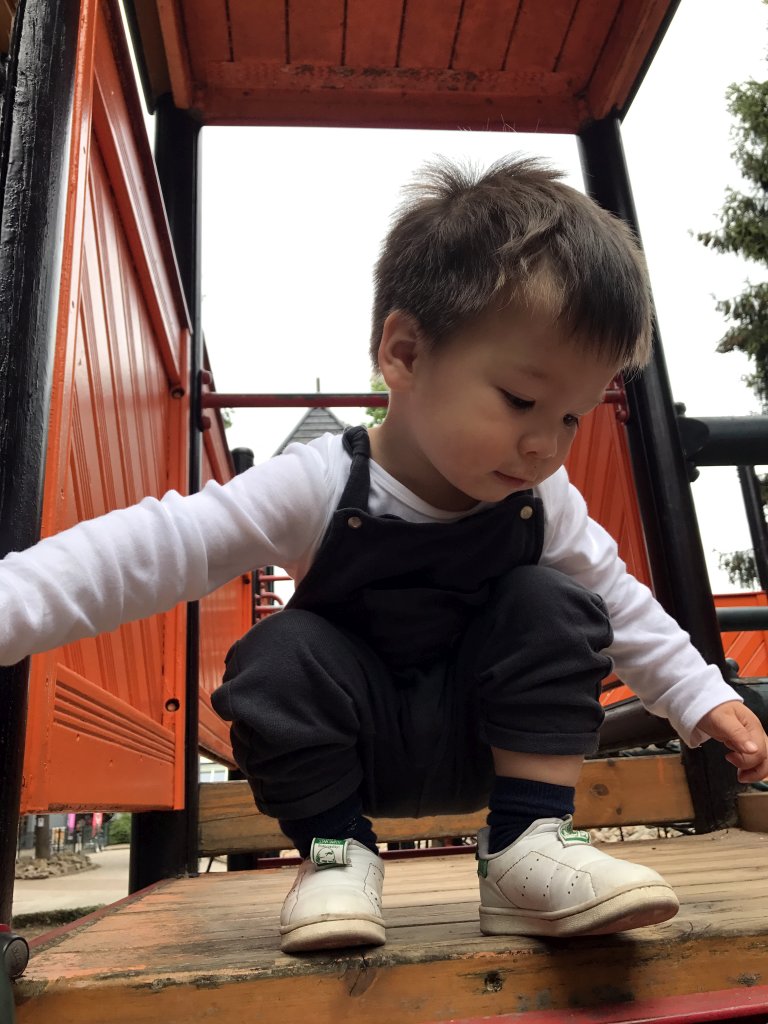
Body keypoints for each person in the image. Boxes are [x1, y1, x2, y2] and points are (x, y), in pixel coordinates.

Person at [1, 157, 766, 955]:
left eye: (573, 417)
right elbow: (153, 549)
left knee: (559, 601)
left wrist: (698, 694)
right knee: (274, 653)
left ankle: (526, 848)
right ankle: (337, 853)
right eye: (520, 400)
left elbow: (623, 602)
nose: (546, 444)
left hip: (488, 740)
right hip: (354, 754)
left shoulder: (546, 500)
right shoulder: (322, 483)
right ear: (403, 353)